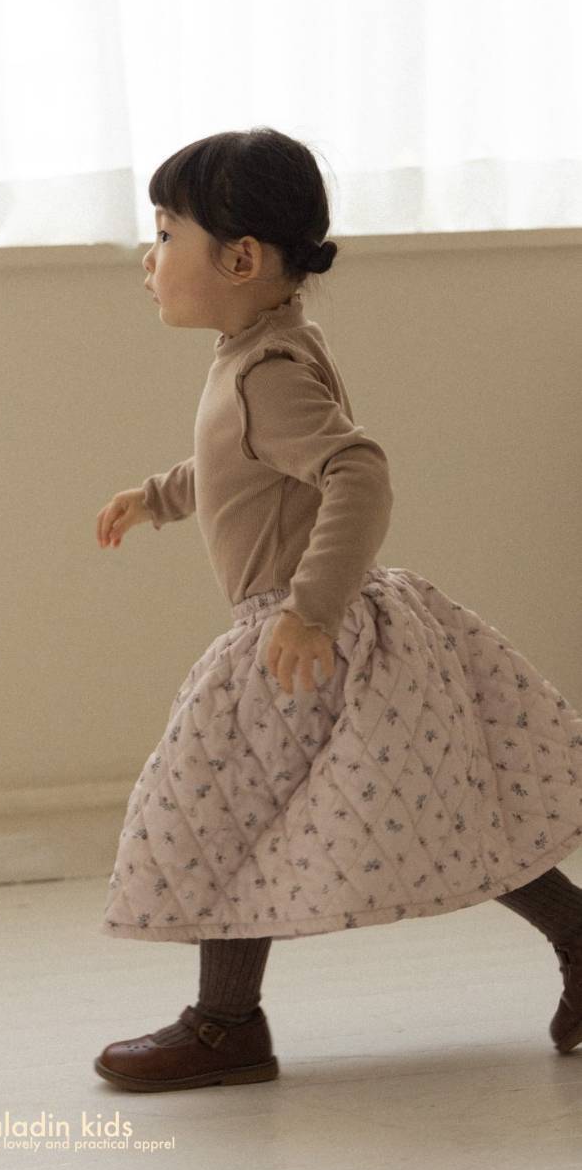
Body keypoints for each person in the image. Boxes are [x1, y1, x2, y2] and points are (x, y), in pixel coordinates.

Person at [92, 126, 582, 1093]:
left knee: (229, 810)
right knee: (435, 808)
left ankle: (226, 1024)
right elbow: (242, 464)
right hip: (311, 627)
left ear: (240, 258)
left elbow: (355, 471)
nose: (148, 258)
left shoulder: (265, 371)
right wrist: (158, 495)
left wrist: (309, 608)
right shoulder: (262, 352)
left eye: (165, 233)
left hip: (300, 634)